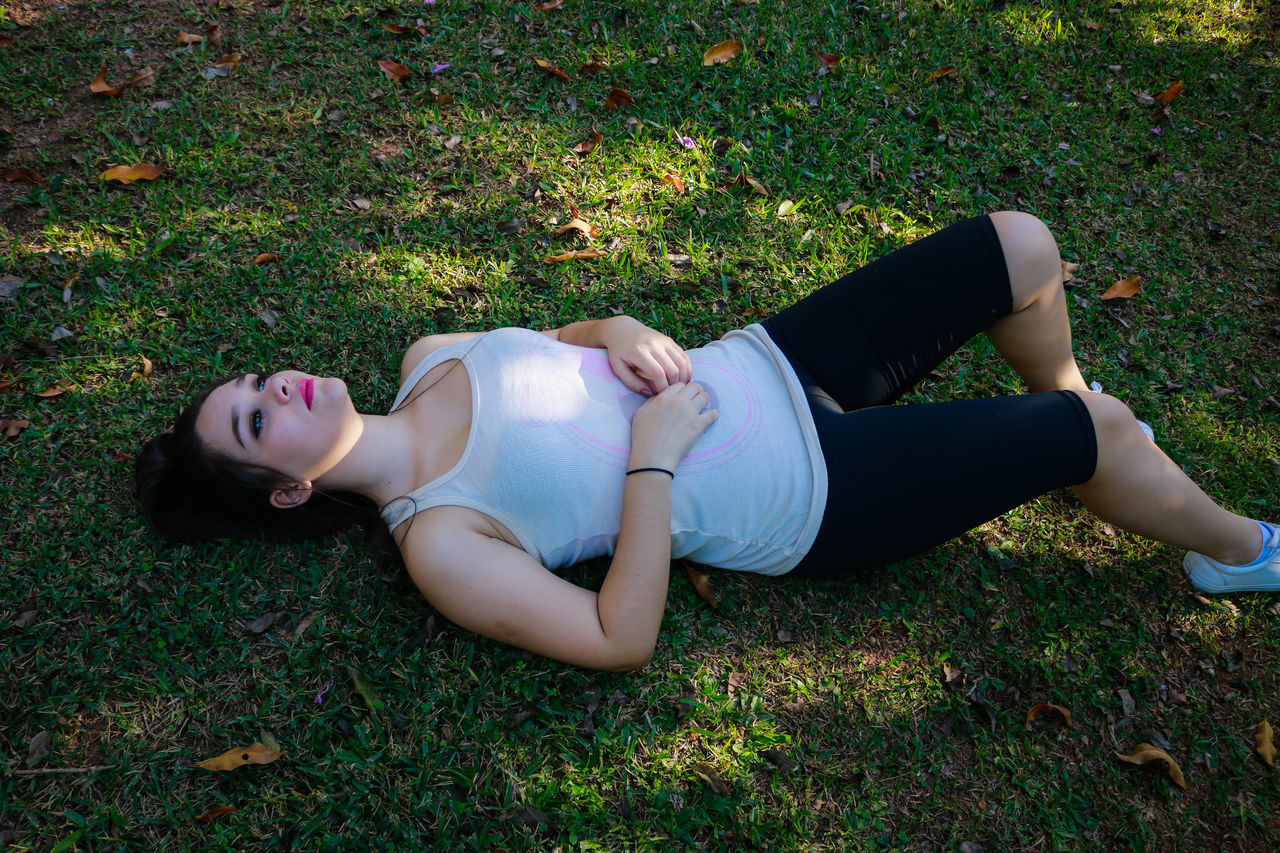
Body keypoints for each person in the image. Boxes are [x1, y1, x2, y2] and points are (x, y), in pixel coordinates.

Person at [136, 212, 1279, 671]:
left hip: (769, 363)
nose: (273, 386)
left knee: (1020, 247)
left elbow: (572, 339)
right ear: (285, 490)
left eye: (252, 381)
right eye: (255, 420)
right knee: (1091, 428)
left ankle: (1076, 447)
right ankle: (1237, 545)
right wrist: (650, 460)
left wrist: (618, 328)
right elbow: (615, 634)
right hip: (808, 495)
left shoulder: (432, 353)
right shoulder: (439, 540)